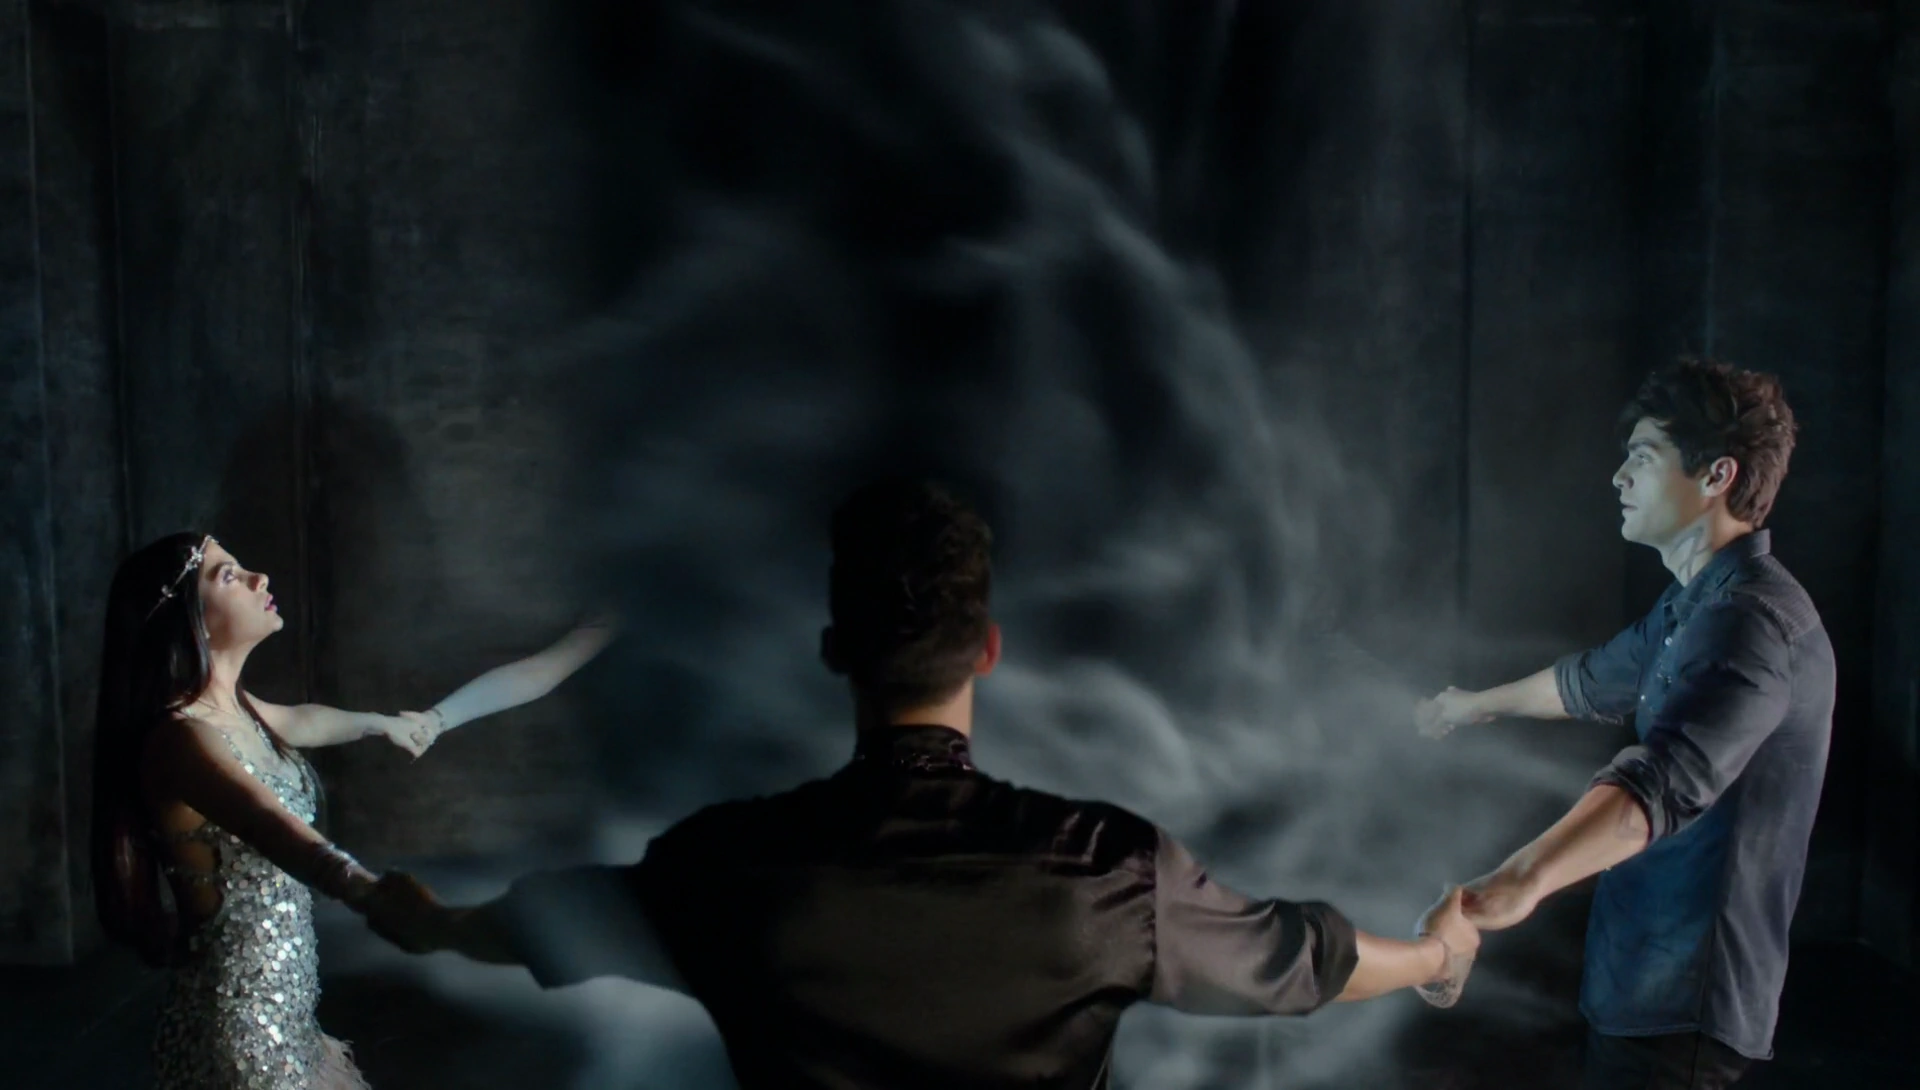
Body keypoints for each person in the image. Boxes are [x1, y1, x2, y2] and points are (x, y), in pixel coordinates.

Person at [363, 478, 1480, 1089]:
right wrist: (1437, 957)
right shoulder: (1106, 874)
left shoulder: (725, 868)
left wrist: (433, 922)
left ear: (834, 651)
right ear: (988, 649)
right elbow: (1299, 962)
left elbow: (551, 922)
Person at [1414, 358, 1829, 1090]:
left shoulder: (1751, 624)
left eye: (1643, 456)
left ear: (1717, 476)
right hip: (1641, 988)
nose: (1618, 477)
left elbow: (1660, 783)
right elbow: (1588, 680)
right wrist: (1470, 705)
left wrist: (1514, 885)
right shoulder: (1697, 605)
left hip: (1684, 1012)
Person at [90, 532, 614, 1090]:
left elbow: (303, 720)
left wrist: (385, 724)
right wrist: (369, 892)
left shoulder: (238, 710)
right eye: (229, 575)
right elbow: (269, 825)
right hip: (245, 1039)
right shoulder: (184, 739)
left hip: (285, 1018)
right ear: (186, 620)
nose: (258, 579)